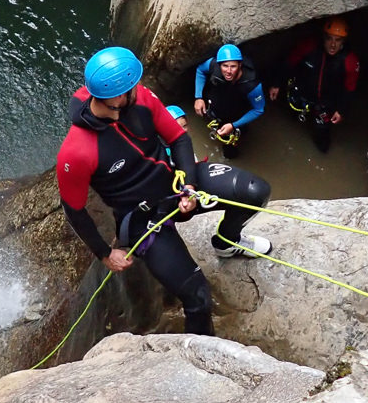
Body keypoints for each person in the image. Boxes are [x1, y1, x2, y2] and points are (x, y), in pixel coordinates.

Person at [56, 47, 274, 336]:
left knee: (255, 191)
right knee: (198, 297)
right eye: (132, 87)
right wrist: (105, 253)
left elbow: (179, 138)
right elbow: (74, 209)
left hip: (176, 183)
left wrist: (189, 186)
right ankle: (202, 356)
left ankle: (226, 241)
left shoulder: (141, 100)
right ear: (116, 97)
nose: (139, 89)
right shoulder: (77, 151)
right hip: (144, 218)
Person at [269, 17, 360, 152]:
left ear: (343, 42)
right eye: (329, 39)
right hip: (302, 92)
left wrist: (341, 110)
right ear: (323, 38)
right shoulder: (309, 47)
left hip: (326, 103)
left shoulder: (350, 61)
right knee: (290, 115)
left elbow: (350, 89)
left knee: (322, 137)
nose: (333, 45)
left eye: (338, 40)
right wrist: (276, 84)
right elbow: (289, 62)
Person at [192, 43, 265, 158]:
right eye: (225, 66)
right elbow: (200, 70)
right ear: (219, 64)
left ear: (240, 65)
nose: (229, 71)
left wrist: (233, 125)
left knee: (230, 153)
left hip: (236, 117)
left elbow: (258, 109)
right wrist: (198, 97)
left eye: (233, 66)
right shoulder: (213, 65)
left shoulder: (252, 85)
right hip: (216, 108)